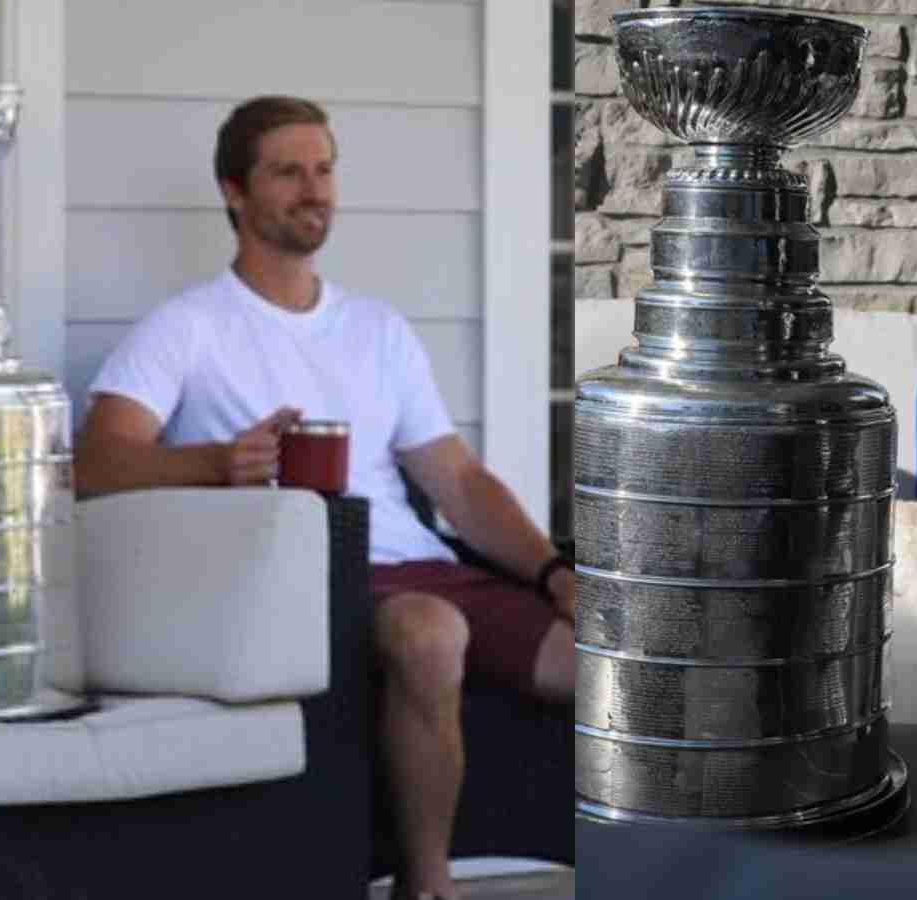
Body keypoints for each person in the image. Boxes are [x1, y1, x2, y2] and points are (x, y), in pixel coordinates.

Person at [72, 96, 575, 900]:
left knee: (611, 669)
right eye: (288, 172)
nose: (314, 189)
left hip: (426, 566)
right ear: (235, 192)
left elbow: (461, 483)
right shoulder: (189, 327)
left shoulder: (376, 328)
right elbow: (95, 463)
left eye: (325, 168)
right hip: (309, 582)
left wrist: (556, 576)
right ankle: (428, 887)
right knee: (430, 632)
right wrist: (220, 464)